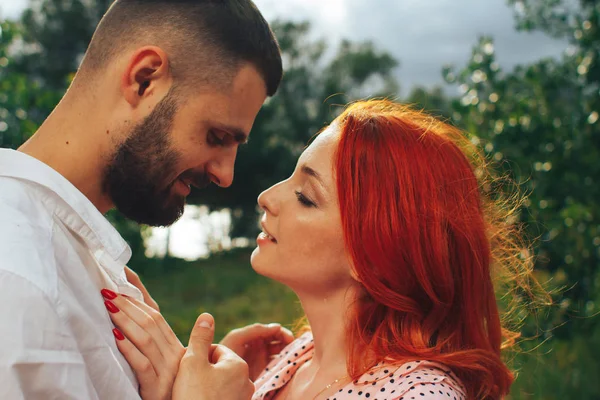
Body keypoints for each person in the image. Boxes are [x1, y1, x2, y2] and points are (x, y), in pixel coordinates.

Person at [105, 100, 543, 399]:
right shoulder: (297, 358)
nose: (267, 197)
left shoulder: (419, 394)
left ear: (374, 251)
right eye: (290, 178)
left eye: (306, 196)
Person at [0, 0, 287, 398]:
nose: (226, 175)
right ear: (144, 79)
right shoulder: (17, 280)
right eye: (217, 138)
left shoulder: (78, 259)